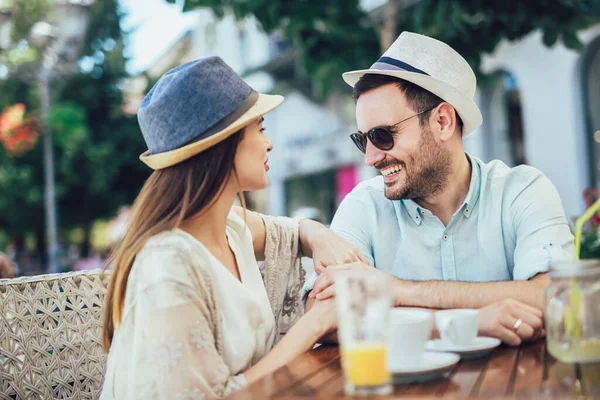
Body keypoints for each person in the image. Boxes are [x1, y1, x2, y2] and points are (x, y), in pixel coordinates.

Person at [100, 57, 365, 399]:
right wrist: (314, 323)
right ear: (224, 144)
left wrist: (317, 233)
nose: (269, 143)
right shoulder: (167, 266)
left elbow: (287, 230)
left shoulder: (229, 226)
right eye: (261, 128)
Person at [306, 32, 573, 346]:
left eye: (382, 135)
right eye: (362, 139)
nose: (371, 157)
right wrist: (466, 322)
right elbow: (320, 316)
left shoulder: (521, 190)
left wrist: (397, 291)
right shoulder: (364, 206)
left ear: (443, 121)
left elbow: (560, 298)